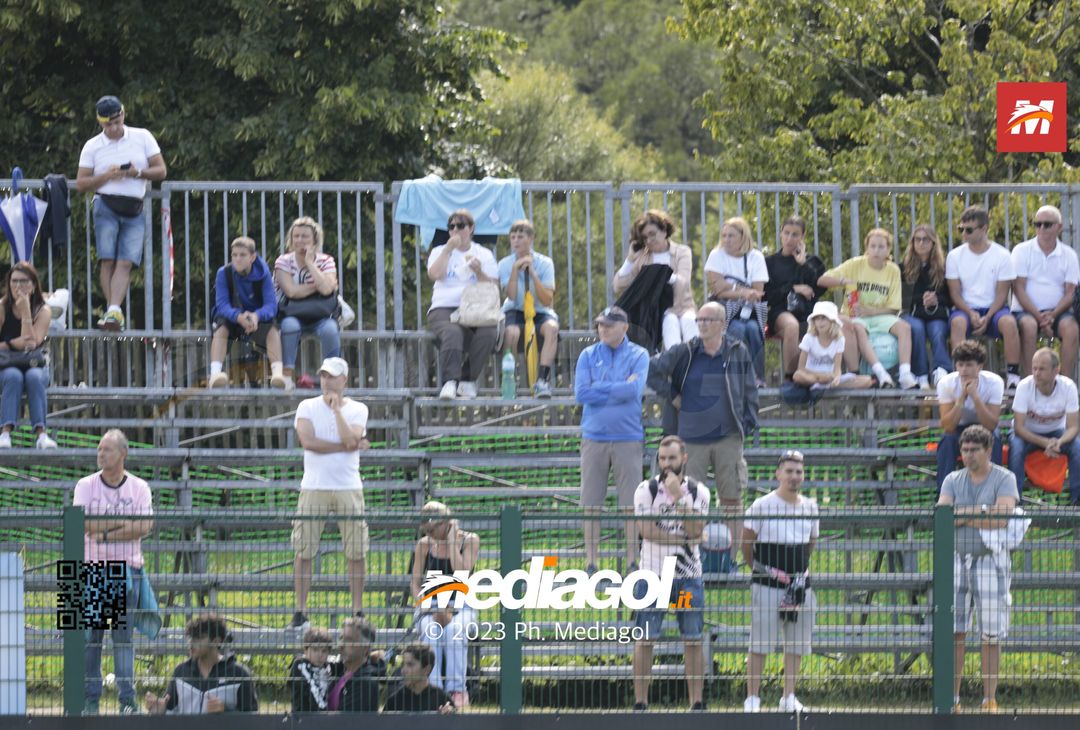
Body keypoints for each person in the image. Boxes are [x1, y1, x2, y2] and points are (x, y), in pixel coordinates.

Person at [646, 301, 757, 564]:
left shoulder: (737, 350)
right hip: (690, 441)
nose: (702, 325)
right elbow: (650, 370)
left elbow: (750, 387)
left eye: (708, 320)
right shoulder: (685, 351)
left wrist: (748, 422)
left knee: (731, 498)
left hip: (728, 437)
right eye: (699, 321)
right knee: (688, 500)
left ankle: (729, 561)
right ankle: (690, 557)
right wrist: (672, 395)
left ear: (722, 324)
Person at [936, 424, 1019, 713]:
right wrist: (982, 513)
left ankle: (989, 699)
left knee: (990, 635)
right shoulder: (952, 478)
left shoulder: (1005, 477)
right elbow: (943, 515)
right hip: (956, 559)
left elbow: (1002, 518)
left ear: (988, 450)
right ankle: (953, 699)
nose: (968, 455)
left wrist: (964, 515)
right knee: (954, 632)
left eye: (974, 450)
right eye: (964, 449)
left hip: (990, 561)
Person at [73, 429, 153, 715]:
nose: (101, 454)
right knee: (90, 639)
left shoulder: (140, 487)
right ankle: (89, 700)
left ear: (123, 454)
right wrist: (122, 526)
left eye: (107, 449)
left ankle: (127, 700)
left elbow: (144, 527)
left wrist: (105, 533)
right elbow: (85, 525)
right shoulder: (85, 485)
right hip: (92, 569)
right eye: (99, 449)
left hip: (126, 571)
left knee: (122, 639)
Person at [290, 357, 370, 630]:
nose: (326, 381)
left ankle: (357, 612)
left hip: (349, 486)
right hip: (313, 485)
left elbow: (352, 438)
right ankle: (300, 611)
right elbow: (308, 442)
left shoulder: (358, 408)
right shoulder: (306, 406)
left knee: (356, 551)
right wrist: (349, 445)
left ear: (344, 380)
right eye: (323, 375)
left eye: (333, 376)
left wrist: (337, 412)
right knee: (303, 550)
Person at [631, 436, 709, 712]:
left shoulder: (700, 492)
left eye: (671, 459)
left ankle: (696, 702)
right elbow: (647, 531)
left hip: (688, 575)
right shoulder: (646, 489)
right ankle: (641, 702)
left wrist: (678, 497)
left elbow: (696, 530)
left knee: (692, 639)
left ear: (684, 459)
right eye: (662, 459)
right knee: (645, 639)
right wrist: (686, 537)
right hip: (652, 575)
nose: (665, 465)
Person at [75, 95, 167, 331]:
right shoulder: (92, 146)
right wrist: (107, 176)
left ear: (123, 114)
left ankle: (113, 312)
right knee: (108, 259)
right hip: (105, 204)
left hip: (135, 207)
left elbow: (161, 171)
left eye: (117, 121)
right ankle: (113, 310)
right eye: (108, 124)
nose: (114, 128)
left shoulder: (142, 136)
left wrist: (135, 173)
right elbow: (81, 183)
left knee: (126, 262)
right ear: (100, 123)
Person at [742, 450, 819, 714]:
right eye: (789, 471)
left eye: (799, 471)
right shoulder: (762, 505)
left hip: (799, 588)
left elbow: (811, 543)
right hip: (766, 585)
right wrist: (762, 571)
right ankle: (753, 698)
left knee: (796, 644)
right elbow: (747, 542)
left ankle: (789, 696)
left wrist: (796, 577)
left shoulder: (810, 506)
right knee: (760, 642)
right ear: (778, 474)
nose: (794, 476)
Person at [575, 305, 649, 574]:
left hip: (628, 437)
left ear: (624, 327)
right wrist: (617, 388)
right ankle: (591, 562)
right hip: (594, 437)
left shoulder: (639, 354)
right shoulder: (587, 354)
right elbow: (582, 393)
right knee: (591, 503)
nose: (602, 329)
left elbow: (634, 391)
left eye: (608, 325)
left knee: (631, 504)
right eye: (600, 325)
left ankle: (632, 561)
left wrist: (601, 388)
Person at [817, 228, 917, 389]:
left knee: (904, 328)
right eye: (873, 246)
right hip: (856, 317)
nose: (876, 250)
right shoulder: (855, 264)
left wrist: (870, 311)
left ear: (888, 249)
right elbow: (821, 280)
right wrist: (841, 281)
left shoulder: (893, 270)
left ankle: (905, 373)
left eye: (881, 246)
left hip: (880, 315)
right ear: (867, 248)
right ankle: (880, 373)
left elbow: (894, 308)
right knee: (857, 328)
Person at [409, 501, 480, 707]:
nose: (430, 533)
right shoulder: (424, 544)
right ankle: (435, 692)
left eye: (433, 528)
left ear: (447, 522)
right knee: (431, 631)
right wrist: (421, 603)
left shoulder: (470, 540)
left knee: (453, 631)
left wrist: (450, 543)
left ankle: (457, 691)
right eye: (426, 530)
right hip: (430, 602)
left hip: (461, 603)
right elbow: (414, 581)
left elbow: (462, 575)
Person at [427, 209, 500, 400]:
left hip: (474, 308)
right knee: (453, 332)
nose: (455, 230)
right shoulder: (439, 251)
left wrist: (479, 272)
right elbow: (435, 275)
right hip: (443, 307)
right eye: (451, 226)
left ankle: (467, 380)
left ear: (471, 228)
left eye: (460, 226)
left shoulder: (483, 254)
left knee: (489, 332)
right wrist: (447, 250)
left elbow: (494, 287)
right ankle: (450, 382)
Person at [945, 205, 1020, 390]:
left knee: (1010, 324)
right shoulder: (954, 256)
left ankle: (1013, 375)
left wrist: (988, 316)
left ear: (984, 229)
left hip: (994, 308)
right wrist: (970, 312)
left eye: (969, 230)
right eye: (960, 229)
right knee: (957, 324)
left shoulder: (1002, 255)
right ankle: (960, 375)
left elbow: (1002, 294)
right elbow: (954, 293)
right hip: (965, 308)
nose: (964, 234)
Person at [208, 236, 288, 389]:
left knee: (272, 329)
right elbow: (222, 305)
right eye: (234, 255)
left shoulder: (263, 274)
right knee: (221, 328)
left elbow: (271, 306)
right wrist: (238, 317)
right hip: (232, 317)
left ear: (252, 257)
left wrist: (256, 316)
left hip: (256, 319)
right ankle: (215, 374)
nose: (237, 259)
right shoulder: (223, 273)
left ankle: (277, 374)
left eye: (242, 255)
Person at [613, 209, 698, 351]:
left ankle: (695, 364)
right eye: (645, 238)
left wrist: (658, 274)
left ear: (664, 230)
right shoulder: (643, 257)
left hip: (683, 306)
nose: (649, 240)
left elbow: (683, 282)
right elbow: (618, 285)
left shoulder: (682, 252)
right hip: (656, 313)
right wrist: (630, 259)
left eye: (652, 234)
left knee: (689, 322)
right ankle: (675, 365)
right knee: (670, 323)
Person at [1011, 205, 1079, 380]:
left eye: (1047, 224)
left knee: (1071, 328)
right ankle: (1030, 382)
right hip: (1026, 311)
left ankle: (1065, 384)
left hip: (1059, 312)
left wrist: (1053, 315)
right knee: (1029, 326)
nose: (1041, 228)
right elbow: (1018, 288)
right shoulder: (1021, 250)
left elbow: (1071, 292)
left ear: (1059, 227)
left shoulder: (1069, 254)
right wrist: (1040, 317)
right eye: (1037, 224)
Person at [144, 614, 259, 714]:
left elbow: (252, 718)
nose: (192, 643)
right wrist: (160, 709)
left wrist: (225, 710)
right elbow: (169, 710)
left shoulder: (239, 673)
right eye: (191, 637)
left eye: (199, 638)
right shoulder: (181, 671)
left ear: (217, 641)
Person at [274, 216, 341, 385]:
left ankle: (332, 377)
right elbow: (290, 291)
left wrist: (310, 263)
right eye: (296, 236)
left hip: (321, 315)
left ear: (314, 240)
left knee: (331, 329)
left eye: (305, 236)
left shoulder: (326, 260)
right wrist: (318, 285)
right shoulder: (283, 261)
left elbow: (326, 290)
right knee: (289, 327)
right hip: (292, 314)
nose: (300, 240)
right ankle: (287, 376)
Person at [1008, 348, 1080, 505]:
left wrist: (1059, 443)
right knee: (1016, 449)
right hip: (1026, 433)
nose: (1036, 373)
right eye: (1034, 368)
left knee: (1077, 447)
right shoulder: (1024, 386)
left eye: (1042, 369)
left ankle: (1077, 503)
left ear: (1056, 370)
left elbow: (1074, 427)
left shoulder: (1068, 387)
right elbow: (1019, 428)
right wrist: (1046, 443)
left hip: (1057, 433)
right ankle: (1014, 503)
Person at [498, 219, 559, 397]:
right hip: (514, 309)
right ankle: (510, 380)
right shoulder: (504, 264)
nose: (515, 241)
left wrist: (532, 273)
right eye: (513, 237)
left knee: (552, 329)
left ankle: (542, 380)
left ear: (531, 238)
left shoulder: (545, 263)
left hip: (540, 311)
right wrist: (515, 271)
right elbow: (510, 295)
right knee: (511, 333)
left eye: (520, 236)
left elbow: (547, 300)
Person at [764, 215, 827, 381]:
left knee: (835, 323)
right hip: (781, 313)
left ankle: (830, 377)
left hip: (809, 312)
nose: (789, 238)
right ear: (780, 233)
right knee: (791, 326)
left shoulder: (812, 261)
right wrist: (793, 288)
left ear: (803, 237)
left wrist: (802, 264)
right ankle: (790, 378)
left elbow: (820, 289)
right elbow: (768, 297)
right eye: (786, 233)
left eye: (795, 234)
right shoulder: (770, 263)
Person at [0, 262, 56, 449]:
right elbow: (24, 342)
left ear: (33, 285)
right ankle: (5, 433)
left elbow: (31, 342)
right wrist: (13, 344)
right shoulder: (2, 307)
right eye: (14, 281)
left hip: (34, 364)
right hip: (5, 366)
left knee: (33, 377)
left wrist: (25, 311)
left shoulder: (43, 310)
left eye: (23, 282)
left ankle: (41, 435)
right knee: (13, 376)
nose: (18, 287)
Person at [705, 216, 767, 383]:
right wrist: (742, 291)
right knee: (737, 329)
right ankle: (734, 377)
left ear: (743, 236)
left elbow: (758, 292)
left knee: (754, 330)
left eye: (731, 236)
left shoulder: (756, 257)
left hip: (750, 310)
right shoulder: (716, 255)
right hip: (724, 309)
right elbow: (717, 290)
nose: (726, 240)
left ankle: (757, 378)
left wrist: (729, 286)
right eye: (723, 235)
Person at [936, 340, 1004, 491]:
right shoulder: (946, 383)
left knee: (995, 438)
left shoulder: (994, 382)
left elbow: (991, 424)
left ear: (979, 366)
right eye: (960, 365)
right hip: (958, 428)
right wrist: (961, 398)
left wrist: (975, 397)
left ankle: (996, 493)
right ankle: (943, 499)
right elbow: (947, 426)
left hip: (984, 427)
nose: (964, 370)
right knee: (946, 441)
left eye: (969, 365)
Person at [783, 301, 875, 404]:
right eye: (817, 319)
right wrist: (820, 377)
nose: (820, 322)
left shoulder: (839, 339)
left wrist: (836, 377)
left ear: (832, 321)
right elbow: (801, 368)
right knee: (798, 376)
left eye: (823, 318)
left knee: (867, 380)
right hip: (812, 377)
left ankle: (827, 388)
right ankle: (818, 386)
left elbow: (837, 368)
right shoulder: (809, 338)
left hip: (830, 378)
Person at [900, 225, 953, 389]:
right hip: (913, 313)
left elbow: (951, 297)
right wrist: (921, 299)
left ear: (933, 243)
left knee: (937, 331)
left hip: (936, 314)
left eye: (925, 239)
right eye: (917, 239)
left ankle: (941, 370)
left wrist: (936, 299)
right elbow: (902, 300)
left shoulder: (943, 267)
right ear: (912, 243)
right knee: (917, 329)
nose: (921, 243)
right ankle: (921, 375)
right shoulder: (903, 267)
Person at [326, 616, 385, 712]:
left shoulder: (365, 682)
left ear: (365, 647)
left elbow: (344, 722)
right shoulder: (340, 671)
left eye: (348, 640)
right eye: (341, 639)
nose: (341, 645)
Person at [383, 643, 455, 714]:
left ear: (426, 669)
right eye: (403, 664)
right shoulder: (394, 701)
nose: (403, 670)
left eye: (410, 665)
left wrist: (448, 717)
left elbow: (455, 724)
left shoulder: (442, 699)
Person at [289, 627, 333, 712]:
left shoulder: (327, 667)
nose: (320, 655)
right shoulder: (300, 665)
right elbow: (313, 692)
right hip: (303, 718)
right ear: (305, 650)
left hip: (321, 717)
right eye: (315, 650)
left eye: (324, 651)